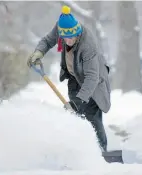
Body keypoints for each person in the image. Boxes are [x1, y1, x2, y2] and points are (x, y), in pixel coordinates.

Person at [27, 5, 120, 163]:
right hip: (74, 77)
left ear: (77, 32)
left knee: (92, 117)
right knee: (75, 116)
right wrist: (39, 52)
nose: (69, 41)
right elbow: (48, 40)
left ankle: (101, 154)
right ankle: (79, 151)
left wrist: (78, 101)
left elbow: (92, 77)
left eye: (72, 38)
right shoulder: (61, 27)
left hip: (93, 82)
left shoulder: (87, 44)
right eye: (66, 38)